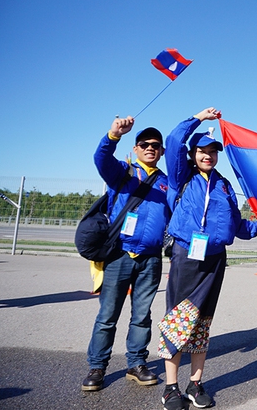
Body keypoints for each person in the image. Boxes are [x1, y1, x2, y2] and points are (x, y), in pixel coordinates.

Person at [158, 108, 257, 410]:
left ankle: (195, 384)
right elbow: (173, 139)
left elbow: (236, 226)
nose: (208, 155)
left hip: (215, 261)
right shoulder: (183, 176)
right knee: (179, 320)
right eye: (202, 151)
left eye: (213, 151)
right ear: (193, 154)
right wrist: (199, 118)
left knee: (202, 324)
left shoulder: (224, 186)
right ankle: (171, 387)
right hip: (186, 256)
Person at [82, 117, 171, 392]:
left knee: (142, 315)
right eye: (144, 144)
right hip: (120, 255)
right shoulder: (122, 172)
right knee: (107, 315)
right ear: (135, 148)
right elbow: (101, 159)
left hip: (151, 258)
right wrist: (112, 135)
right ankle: (97, 367)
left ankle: (137, 364)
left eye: (156, 145)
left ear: (162, 152)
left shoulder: (168, 183)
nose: (150, 148)